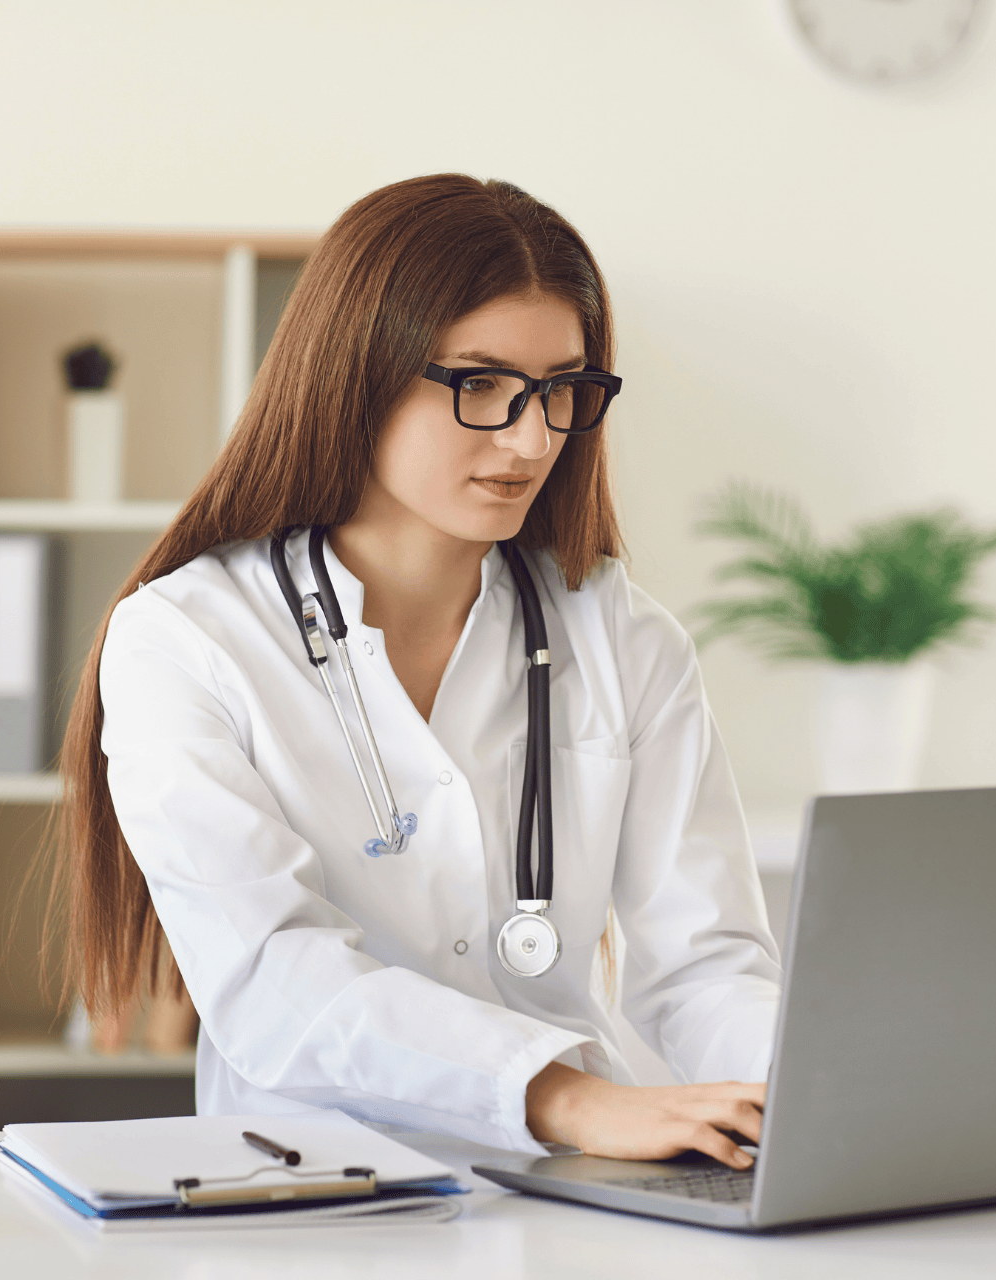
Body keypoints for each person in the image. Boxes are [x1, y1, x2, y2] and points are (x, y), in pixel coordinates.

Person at [53, 174, 782, 1169]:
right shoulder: (186, 640)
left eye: (561, 390)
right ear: (358, 373)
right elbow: (274, 976)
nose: (532, 439)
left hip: (581, 1191)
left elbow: (705, 967)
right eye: (480, 385)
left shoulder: (625, 638)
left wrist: (808, 1097)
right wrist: (560, 1094)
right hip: (309, 1195)